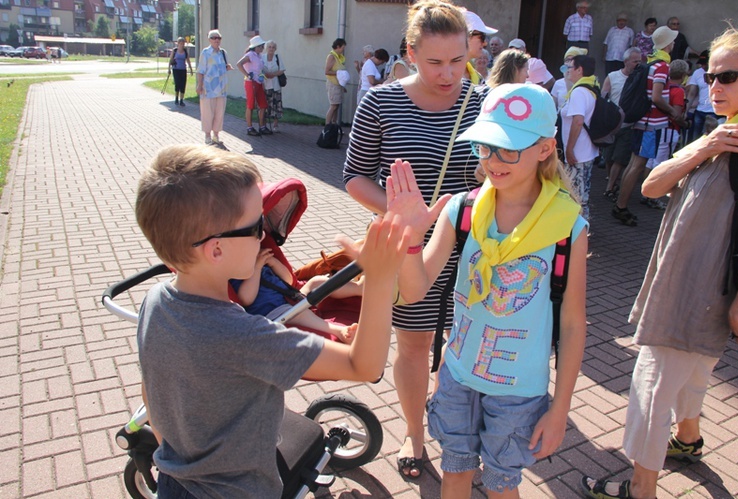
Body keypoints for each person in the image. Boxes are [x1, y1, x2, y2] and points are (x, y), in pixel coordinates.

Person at [135, 143, 410, 499]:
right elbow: (365, 365)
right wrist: (380, 278)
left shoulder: (155, 301)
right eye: (255, 229)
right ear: (215, 249)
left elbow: (151, 392)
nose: (264, 236)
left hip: (175, 482)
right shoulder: (245, 335)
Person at [387, 83, 588, 499]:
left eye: (508, 150)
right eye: (485, 147)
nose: (493, 161)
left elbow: (571, 322)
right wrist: (410, 238)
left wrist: (561, 407)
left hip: (519, 392)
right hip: (458, 376)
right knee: (455, 472)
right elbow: (414, 289)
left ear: (545, 148)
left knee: (501, 486)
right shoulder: (461, 209)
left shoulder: (568, 227)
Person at [582, 24, 738, 499]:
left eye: (730, 77)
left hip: (699, 293)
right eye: (712, 76)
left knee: (652, 385)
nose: (714, 87)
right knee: (694, 371)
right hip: (697, 290)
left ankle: (641, 488)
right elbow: (653, 185)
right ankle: (690, 439)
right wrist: (707, 145)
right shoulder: (726, 133)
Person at [343, 0, 489, 480]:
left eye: (457, 60)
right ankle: (414, 431)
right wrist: (403, 215)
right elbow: (355, 177)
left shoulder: (484, 100)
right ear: (410, 52)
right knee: (413, 345)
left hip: (474, 249)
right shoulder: (381, 102)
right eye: (434, 62)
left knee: (466, 347)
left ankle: (461, 430)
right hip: (407, 247)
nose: (448, 74)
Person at [612, 26, 679, 226]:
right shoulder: (662, 67)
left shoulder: (651, 62)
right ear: (668, 44)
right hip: (651, 123)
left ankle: (620, 204)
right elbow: (657, 97)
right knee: (637, 165)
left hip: (644, 121)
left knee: (634, 164)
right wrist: (672, 111)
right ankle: (621, 207)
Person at [232, 248, 362, 344]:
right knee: (299, 313)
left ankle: (359, 288)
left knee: (316, 282)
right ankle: (340, 331)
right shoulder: (236, 275)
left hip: (292, 299)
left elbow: (288, 281)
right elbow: (246, 299)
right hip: (275, 312)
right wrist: (257, 268)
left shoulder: (262, 264)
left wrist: (274, 263)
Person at [642, 59, 689, 208]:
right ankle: (652, 195)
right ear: (683, 74)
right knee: (660, 163)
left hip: (656, 127)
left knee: (650, 161)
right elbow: (677, 114)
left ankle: (646, 193)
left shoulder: (665, 87)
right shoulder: (679, 91)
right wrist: (686, 124)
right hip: (669, 129)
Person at [601, 47, 644, 200]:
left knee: (619, 158)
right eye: (635, 61)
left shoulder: (640, 78)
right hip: (612, 125)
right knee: (608, 157)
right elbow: (604, 96)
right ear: (626, 61)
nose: (638, 64)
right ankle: (610, 180)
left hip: (628, 125)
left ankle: (610, 186)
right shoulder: (612, 76)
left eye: (640, 61)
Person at [560, 54, 598, 220]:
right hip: (585, 152)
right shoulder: (590, 87)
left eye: (571, 67)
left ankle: (579, 232)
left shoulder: (579, 92)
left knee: (576, 196)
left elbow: (578, 121)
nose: (568, 71)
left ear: (579, 70)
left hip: (578, 153)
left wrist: (569, 148)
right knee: (582, 193)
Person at [196, 29, 233, 148]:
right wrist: (199, 85)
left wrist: (227, 67)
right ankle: (207, 135)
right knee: (207, 112)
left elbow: (224, 65)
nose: (217, 40)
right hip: (208, 88)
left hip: (221, 88)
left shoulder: (223, 53)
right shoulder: (205, 52)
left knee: (219, 113)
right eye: (214, 38)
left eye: (219, 38)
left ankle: (216, 134)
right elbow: (201, 70)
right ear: (209, 40)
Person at [237, 35, 271, 137]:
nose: (262, 48)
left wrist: (262, 78)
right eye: (260, 46)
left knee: (263, 105)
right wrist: (247, 74)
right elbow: (239, 64)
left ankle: (262, 126)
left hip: (259, 82)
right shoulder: (250, 54)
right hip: (250, 82)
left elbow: (260, 70)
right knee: (251, 105)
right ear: (255, 47)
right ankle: (249, 127)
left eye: (262, 46)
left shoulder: (259, 56)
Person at [686, 51, 717, 143]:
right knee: (695, 140)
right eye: (701, 64)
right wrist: (686, 110)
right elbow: (692, 93)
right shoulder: (697, 73)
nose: (703, 66)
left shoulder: (719, 72)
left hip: (713, 112)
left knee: (710, 140)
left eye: (705, 64)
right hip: (700, 111)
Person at [464, 10, 497, 84]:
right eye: (482, 37)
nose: (485, 43)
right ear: (466, 36)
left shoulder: (477, 77)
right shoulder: (445, 73)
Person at [262, 40, 285, 133]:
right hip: (266, 84)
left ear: (275, 49)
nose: (271, 49)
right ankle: (265, 124)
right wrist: (266, 75)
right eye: (269, 47)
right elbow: (259, 70)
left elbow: (282, 69)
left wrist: (273, 74)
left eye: (273, 47)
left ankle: (275, 124)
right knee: (266, 104)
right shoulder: (262, 58)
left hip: (275, 84)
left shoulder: (277, 57)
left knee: (276, 104)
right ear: (266, 48)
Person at [324, 38, 347, 125]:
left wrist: (343, 86)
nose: (343, 50)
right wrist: (339, 73)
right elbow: (327, 71)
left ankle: (334, 125)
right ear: (338, 46)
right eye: (342, 48)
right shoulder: (331, 56)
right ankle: (327, 126)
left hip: (338, 84)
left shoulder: (339, 57)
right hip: (333, 84)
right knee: (333, 106)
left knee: (336, 106)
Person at [169, 37, 193, 107]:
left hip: (183, 69)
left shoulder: (185, 51)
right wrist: (169, 69)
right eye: (180, 43)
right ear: (178, 43)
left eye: (183, 43)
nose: (182, 45)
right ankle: (176, 98)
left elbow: (188, 60)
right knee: (177, 84)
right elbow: (170, 60)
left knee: (183, 84)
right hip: (176, 69)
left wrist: (191, 69)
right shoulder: (175, 50)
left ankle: (181, 100)